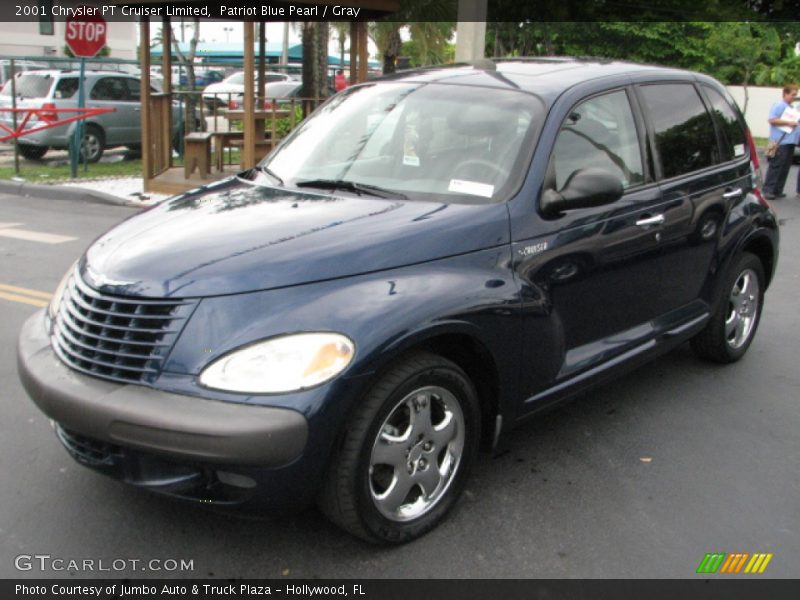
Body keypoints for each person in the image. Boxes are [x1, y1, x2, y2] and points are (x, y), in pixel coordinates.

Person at [763, 83, 799, 200]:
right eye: (792, 95)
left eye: (795, 95)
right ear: (785, 94)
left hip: (790, 141)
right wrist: (788, 123)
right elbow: (772, 119)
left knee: (785, 167)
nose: (794, 97)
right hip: (780, 142)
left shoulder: (792, 108)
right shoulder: (779, 105)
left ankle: (778, 190)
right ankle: (768, 190)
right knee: (776, 165)